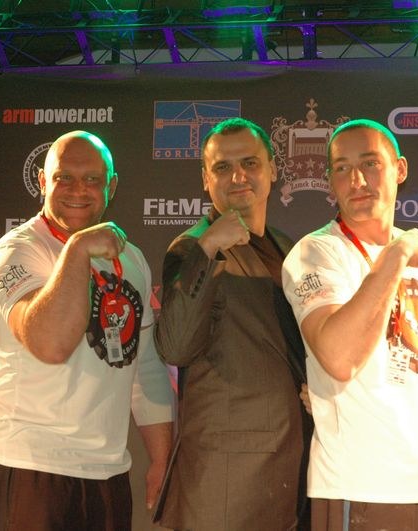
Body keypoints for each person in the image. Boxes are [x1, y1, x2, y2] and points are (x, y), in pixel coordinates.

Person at [281, 119, 418, 531]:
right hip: (360, 489)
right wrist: (395, 256)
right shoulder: (317, 253)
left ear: (399, 169)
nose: (357, 180)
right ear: (330, 182)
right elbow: (339, 359)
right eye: (341, 168)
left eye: (370, 163)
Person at [0, 130, 174, 531]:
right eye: (64, 177)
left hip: (107, 472)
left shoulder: (132, 259)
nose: (78, 190)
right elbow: (49, 344)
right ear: (42, 181)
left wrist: (161, 458)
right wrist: (77, 249)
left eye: (92, 179)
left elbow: (145, 366)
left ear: (111, 186)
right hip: (28, 466)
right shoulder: (16, 252)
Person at [153, 117, 312, 530]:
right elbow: (175, 346)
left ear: (272, 170)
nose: (238, 176)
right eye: (222, 167)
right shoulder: (192, 247)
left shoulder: (288, 247)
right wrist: (208, 248)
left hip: (294, 464)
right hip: (227, 477)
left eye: (250, 163)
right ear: (206, 179)